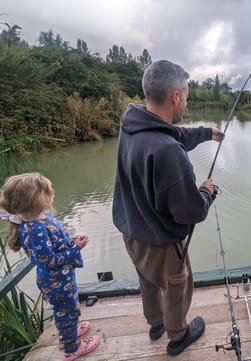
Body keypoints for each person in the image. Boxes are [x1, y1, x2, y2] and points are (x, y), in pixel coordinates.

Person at [112, 60, 224, 356]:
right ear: (176, 96)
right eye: (186, 95)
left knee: (148, 281)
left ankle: (155, 324)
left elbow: (169, 135)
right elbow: (191, 212)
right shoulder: (167, 152)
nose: (186, 101)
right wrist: (206, 192)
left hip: (131, 230)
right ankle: (177, 336)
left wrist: (205, 133)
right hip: (161, 241)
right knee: (176, 285)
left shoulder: (132, 123)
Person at [0, 172, 100, 361]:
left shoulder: (39, 218)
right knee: (66, 310)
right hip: (56, 280)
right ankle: (72, 348)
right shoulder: (35, 228)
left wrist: (71, 241)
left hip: (61, 278)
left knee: (67, 308)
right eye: (48, 191)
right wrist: (76, 248)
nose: (52, 193)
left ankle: (67, 334)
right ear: (36, 200)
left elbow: (54, 242)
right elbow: (48, 261)